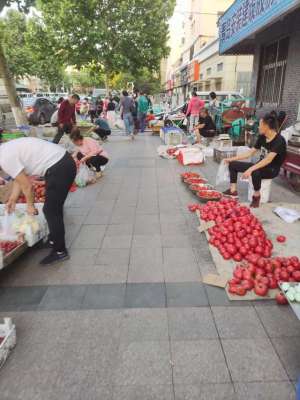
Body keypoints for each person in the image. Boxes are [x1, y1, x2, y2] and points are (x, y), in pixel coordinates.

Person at [0, 137, 76, 265]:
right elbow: (19, 179)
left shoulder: (4, 159)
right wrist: (13, 199)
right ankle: (53, 240)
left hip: (59, 167)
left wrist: (30, 206)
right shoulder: (4, 151)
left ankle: (60, 251)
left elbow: (27, 186)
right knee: (53, 208)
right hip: (62, 163)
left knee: (51, 210)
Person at [223, 112, 287, 208]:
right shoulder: (262, 137)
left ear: (266, 126)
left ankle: (256, 196)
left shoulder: (279, 140)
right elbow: (249, 153)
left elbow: (268, 160)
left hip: (272, 169)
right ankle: (233, 190)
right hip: (260, 165)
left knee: (255, 172)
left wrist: (250, 169)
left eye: (260, 125)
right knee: (233, 165)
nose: (258, 127)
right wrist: (231, 158)